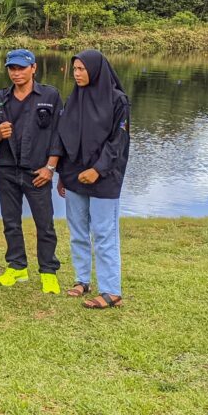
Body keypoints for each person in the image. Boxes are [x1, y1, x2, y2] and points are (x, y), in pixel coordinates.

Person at [52, 50, 131, 309]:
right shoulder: (74, 99)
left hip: (104, 177)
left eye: (82, 69)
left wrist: (97, 169)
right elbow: (64, 136)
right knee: (77, 231)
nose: (77, 74)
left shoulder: (118, 101)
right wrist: (63, 173)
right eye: (74, 69)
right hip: (74, 175)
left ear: (96, 70)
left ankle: (111, 290)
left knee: (104, 232)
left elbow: (118, 141)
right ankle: (81, 280)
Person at [0, 48, 63, 293]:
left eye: (21, 68)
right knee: (11, 222)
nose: (16, 73)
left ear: (34, 68)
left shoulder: (50, 96)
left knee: (45, 224)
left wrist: (50, 168)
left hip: (38, 172)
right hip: (8, 170)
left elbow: (58, 135)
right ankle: (17, 267)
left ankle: (48, 271)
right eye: (12, 68)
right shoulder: (0, 98)